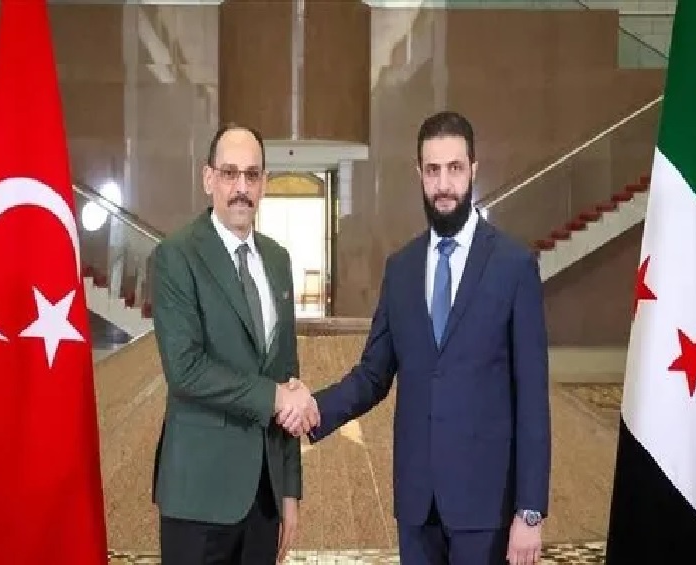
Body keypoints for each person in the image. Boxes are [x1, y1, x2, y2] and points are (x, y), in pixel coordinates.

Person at [286, 111, 552, 565]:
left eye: (455, 168)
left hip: (485, 508)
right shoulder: (402, 269)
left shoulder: (513, 266)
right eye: (433, 170)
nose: (444, 185)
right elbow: (373, 374)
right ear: (419, 174)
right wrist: (313, 408)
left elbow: (531, 398)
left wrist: (530, 512)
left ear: (473, 169)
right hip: (417, 506)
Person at [150, 123, 318, 565]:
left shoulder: (278, 260)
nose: (241, 188)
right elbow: (185, 369)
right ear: (208, 179)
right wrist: (275, 396)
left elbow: (287, 374)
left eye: (252, 175)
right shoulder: (176, 256)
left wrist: (289, 490)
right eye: (229, 173)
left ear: (264, 183)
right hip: (198, 496)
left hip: (263, 497)